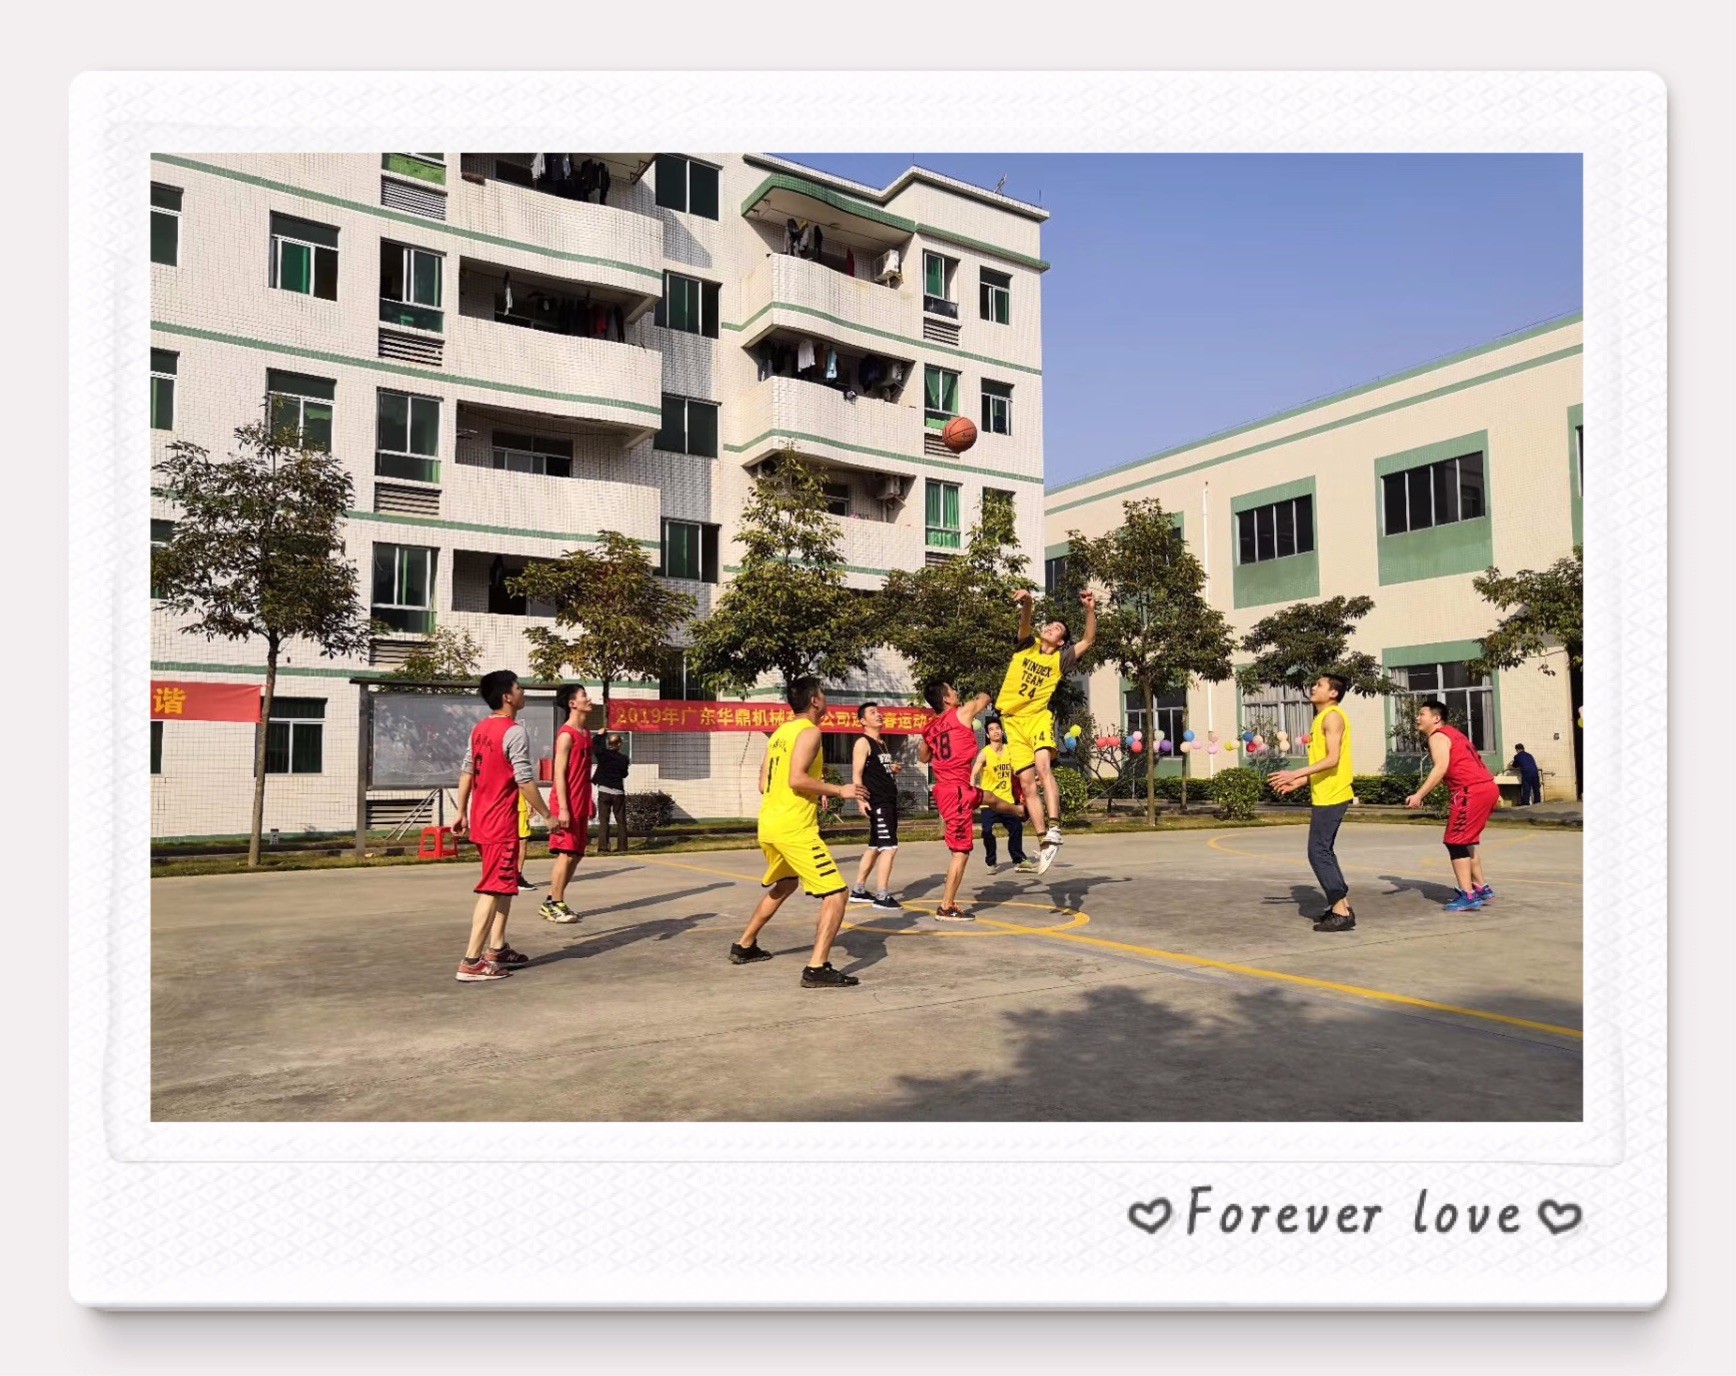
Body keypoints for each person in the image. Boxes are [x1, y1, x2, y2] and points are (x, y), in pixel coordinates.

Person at [729, 678, 870, 988]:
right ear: (815, 701)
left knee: (786, 883)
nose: (826, 697)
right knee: (836, 894)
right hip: (794, 828)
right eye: (823, 693)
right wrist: (839, 790)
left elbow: (764, 783)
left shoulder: (780, 733)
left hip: (770, 823)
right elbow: (796, 778)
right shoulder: (810, 732)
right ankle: (817, 968)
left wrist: (816, 789)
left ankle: (744, 945)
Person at [453, 670, 551, 982]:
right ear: (508, 697)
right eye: (519, 688)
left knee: (503, 885)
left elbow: (467, 771)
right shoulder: (514, 732)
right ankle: (471, 961)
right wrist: (547, 815)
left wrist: (462, 811)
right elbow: (524, 780)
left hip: (482, 819)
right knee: (492, 889)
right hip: (500, 823)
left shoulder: (480, 729)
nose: (523, 692)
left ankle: (497, 948)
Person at [995, 587, 1097, 874]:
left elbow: (1089, 639)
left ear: (1061, 641)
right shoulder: (1026, 645)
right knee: (1027, 784)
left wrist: (1090, 610)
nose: (1051, 627)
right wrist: (1028, 602)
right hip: (1012, 722)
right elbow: (1025, 620)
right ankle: (1044, 844)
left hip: (1037, 718)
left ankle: (1054, 827)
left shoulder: (1060, 660)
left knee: (1043, 768)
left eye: (1057, 628)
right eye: (1049, 624)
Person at [920, 682, 1026, 921]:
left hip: (952, 788)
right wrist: (987, 690)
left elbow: (923, 756)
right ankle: (946, 906)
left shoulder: (930, 727)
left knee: (988, 797)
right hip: (955, 793)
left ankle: (1019, 810)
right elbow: (984, 698)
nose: (956, 692)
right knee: (961, 852)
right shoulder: (961, 713)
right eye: (952, 690)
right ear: (946, 699)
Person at [1269, 674, 1357, 933]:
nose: (1313, 687)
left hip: (1333, 793)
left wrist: (1295, 773)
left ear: (1333, 693)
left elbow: (1333, 759)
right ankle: (1342, 907)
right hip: (1326, 792)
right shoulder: (1322, 718)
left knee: (1317, 852)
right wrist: (1300, 782)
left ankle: (1341, 912)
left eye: (1320, 685)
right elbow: (1325, 764)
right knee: (1324, 851)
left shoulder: (1332, 717)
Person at [1408, 699, 1501, 911]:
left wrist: (1419, 794)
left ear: (1436, 718)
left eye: (1422, 714)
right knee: (1466, 841)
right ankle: (1481, 887)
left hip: (1470, 790)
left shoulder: (1438, 736)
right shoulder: (1454, 733)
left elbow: (1441, 768)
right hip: (1485, 787)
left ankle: (1468, 895)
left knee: (1455, 841)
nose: (1417, 718)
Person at [540, 684, 595, 925]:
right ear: (573, 704)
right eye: (584, 696)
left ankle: (552, 900)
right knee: (566, 853)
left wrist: (588, 799)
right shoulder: (566, 735)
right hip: (566, 802)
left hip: (581, 799)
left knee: (576, 854)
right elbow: (559, 774)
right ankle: (555, 904)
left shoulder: (586, 733)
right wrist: (563, 808)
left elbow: (583, 772)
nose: (589, 699)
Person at [846, 702, 904, 912]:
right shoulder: (863, 742)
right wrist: (860, 800)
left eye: (878, 711)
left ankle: (859, 890)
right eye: (873, 713)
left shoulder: (881, 743)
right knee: (889, 847)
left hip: (887, 800)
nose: (879, 715)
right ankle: (881, 895)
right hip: (878, 802)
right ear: (863, 721)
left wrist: (891, 767)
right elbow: (857, 774)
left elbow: (878, 769)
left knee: (875, 847)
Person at [972, 716, 1031, 871]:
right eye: (991, 729)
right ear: (987, 734)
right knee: (986, 831)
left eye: (997, 728)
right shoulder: (984, 753)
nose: (995, 731)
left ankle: (1019, 859)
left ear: (1002, 731)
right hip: (989, 802)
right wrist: (971, 792)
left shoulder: (1009, 750)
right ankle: (991, 862)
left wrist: (1031, 778)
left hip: (1006, 800)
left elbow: (1017, 769)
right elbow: (973, 773)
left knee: (1016, 828)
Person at [592, 733, 631, 851]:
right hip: (618, 792)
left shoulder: (603, 754)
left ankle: (603, 847)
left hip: (604, 790)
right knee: (621, 821)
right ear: (619, 744)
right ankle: (622, 847)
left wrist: (600, 735)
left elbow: (595, 745)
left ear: (609, 743)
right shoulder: (624, 758)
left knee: (604, 820)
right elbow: (624, 774)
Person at [514, 792, 540, 892]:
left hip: (520, 807)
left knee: (522, 842)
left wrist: (531, 803)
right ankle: (508, 875)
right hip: (506, 807)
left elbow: (526, 785)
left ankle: (517, 876)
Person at [1509, 742, 1542, 807]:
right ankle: (1538, 802)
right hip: (1535, 772)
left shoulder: (1517, 756)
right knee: (1536, 788)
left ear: (1517, 749)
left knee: (1526, 789)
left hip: (1527, 773)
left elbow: (1515, 765)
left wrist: (1511, 764)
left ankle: (1526, 803)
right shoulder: (1529, 755)